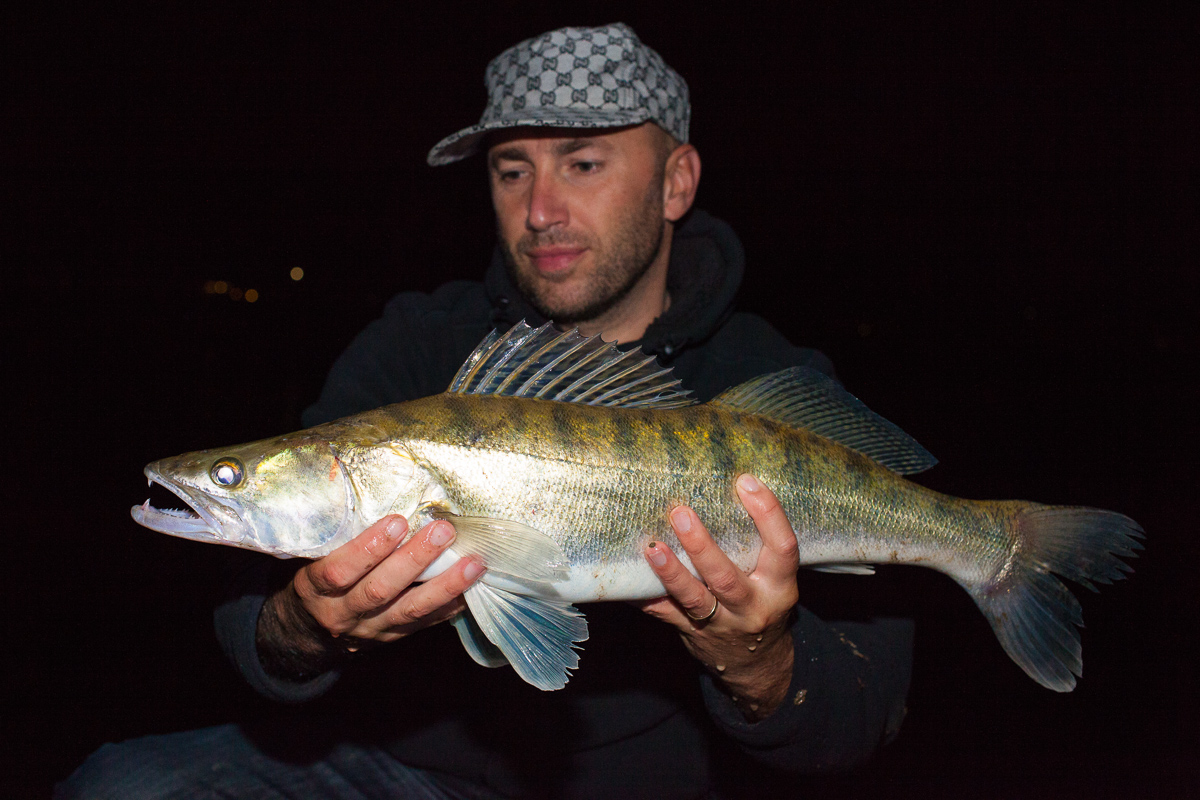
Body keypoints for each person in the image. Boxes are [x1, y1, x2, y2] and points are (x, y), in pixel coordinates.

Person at [59, 23, 913, 799]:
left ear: (675, 181)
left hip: (667, 782)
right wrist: (304, 624)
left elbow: (857, 727)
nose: (540, 210)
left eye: (582, 162)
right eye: (512, 170)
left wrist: (759, 660)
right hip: (407, 771)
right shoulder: (419, 346)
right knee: (123, 784)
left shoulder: (766, 378)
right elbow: (254, 630)